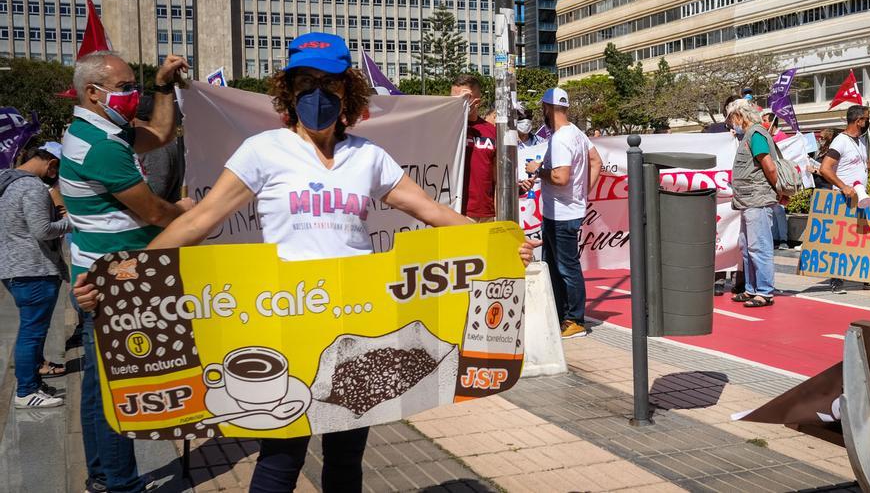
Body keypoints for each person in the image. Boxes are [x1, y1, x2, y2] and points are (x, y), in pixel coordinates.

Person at [76, 33, 536, 492]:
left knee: (346, 457)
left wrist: (497, 244)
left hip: (356, 324)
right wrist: (123, 275)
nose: (317, 94)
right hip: (287, 321)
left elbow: (432, 211)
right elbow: (199, 222)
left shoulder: (368, 156)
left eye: (330, 83)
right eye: (305, 82)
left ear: (347, 91)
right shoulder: (264, 150)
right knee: (280, 459)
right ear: (289, 91)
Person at [64, 50, 192, 493]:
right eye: (123, 88)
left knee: (100, 390)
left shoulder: (102, 131)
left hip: (108, 272)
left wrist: (163, 86)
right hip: (115, 280)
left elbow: (160, 132)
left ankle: (104, 476)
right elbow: (156, 211)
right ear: (92, 93)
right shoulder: (101, 146)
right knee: (120, 388)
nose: (131, 95)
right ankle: (120, 484)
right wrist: (189, 211)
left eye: (134, 85)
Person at [522, 88, 600, 339]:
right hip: (565, 210)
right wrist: (584, 192)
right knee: (555, 266)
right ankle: (560, 316)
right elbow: (596, 161)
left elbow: (560, 176)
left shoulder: (561, 139)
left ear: (546, 107)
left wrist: (538, 170)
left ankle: (575, 319)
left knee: (566, 267)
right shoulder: (576, 133)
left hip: (562, 214)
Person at [1, 142, 72, 408]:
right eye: (55, 172)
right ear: (51, 164)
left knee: (30, 329)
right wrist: (74, 220)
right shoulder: (31, 187)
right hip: (34, 268)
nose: (53, 177)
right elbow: (43, 230)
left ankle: (31, 382)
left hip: (13, 267)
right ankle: (26, 391)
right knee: (32, 331)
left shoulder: (5, 180)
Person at [819, 106, 870, 293]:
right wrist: (843, 187)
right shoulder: (840, 141)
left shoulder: (861, 142)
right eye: (866, 119)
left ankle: (867, 279)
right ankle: (836, 280)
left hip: (859, 197)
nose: (868, 122)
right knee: (841, 241)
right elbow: (825, 168)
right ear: (858, 121)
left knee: (863, 238)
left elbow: (855, 168)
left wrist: (869, 165)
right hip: (843, 199)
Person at [728, 98, 788, 307]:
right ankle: (752, 289)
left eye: (731, 118)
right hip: (749, 199)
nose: (730, 124)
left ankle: (764, 291)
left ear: (739, 116)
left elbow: (769, 167)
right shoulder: (750, 135)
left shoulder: (756, 134)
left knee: (758, 245)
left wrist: (777, 190)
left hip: (757, 198)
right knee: (747, 245)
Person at [452, 74, 497, 222]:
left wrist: (498, 213)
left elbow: (496, 177)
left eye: (463, 98)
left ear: (476, 102)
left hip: (487, 213)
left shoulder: (492, 131)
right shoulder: (447, 129)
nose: (456, 102)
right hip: (455, 211)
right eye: (453, 98)